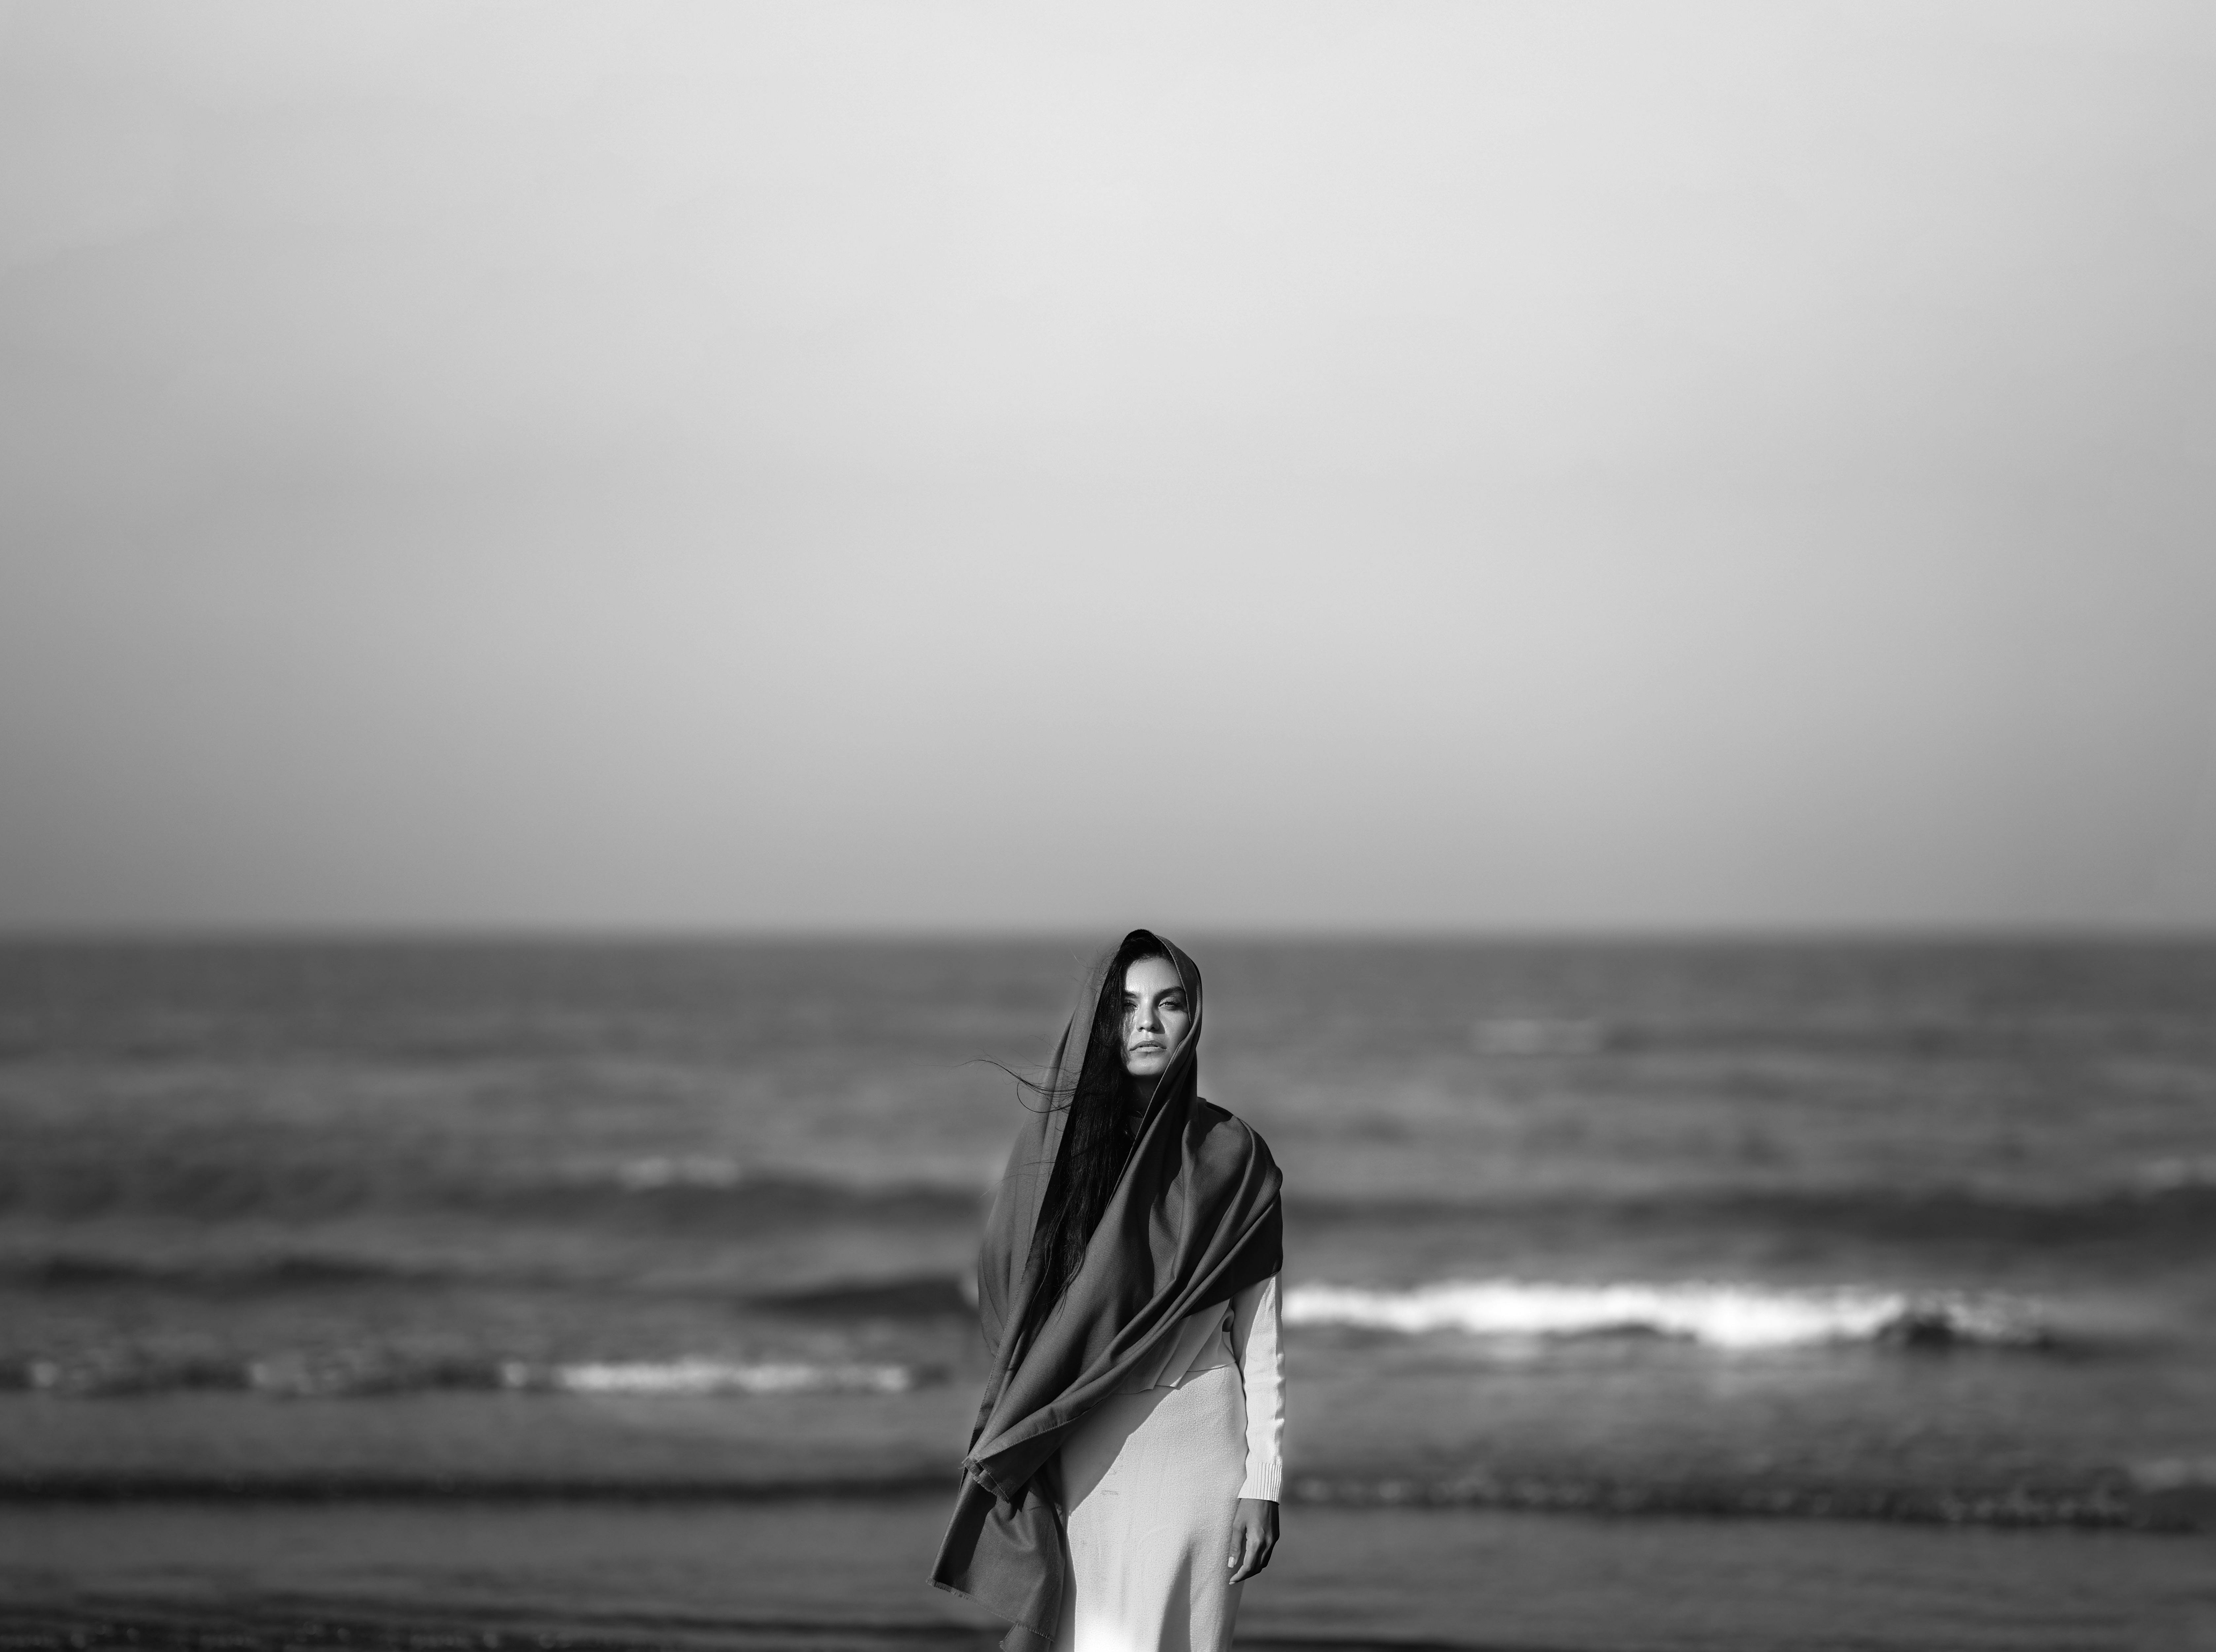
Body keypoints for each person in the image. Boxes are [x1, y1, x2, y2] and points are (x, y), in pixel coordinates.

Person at [930, 930, 1285, 1652]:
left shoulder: (1235, 1154)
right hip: (1085, 1445)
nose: (1147, 1023)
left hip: (1200, 1450)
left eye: (1168, 1004)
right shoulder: (1055, 1157)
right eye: (1126, 1006)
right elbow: (1011, 1306)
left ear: (1193, 1018)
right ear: (1100, 1022)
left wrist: (1263, 1482)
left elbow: (1260, 1335)